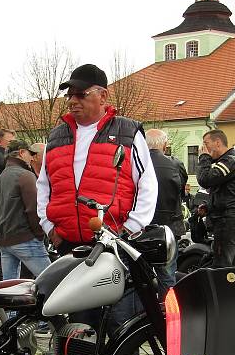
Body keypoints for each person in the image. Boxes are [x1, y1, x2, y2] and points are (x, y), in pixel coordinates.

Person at [37, 63, 157, 254]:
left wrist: (130, 228)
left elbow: (147, 183)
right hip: (66, 244)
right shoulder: (55, 137)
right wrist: (50, 229)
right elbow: (44, 186)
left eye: (81, 94)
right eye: (69, 95)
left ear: (103, 96)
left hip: (113, 243)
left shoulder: (127, 132)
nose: (72, 101)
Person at [0, 140, 51, 279]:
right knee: (51, 281)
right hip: (25, 238)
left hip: (3, 240)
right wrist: (39, 234)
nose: (32, 158)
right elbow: (33, 209)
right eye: (30, 154)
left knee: (10, 288)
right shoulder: (25, 175)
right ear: (22, 152)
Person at [197, 129, 235, 267]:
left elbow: (205, 180)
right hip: (229, 217)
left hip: (228, 220)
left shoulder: (229, 161)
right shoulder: (228, 161)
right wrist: (209, 207)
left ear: (217, 143)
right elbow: (227, 192)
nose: (203, 148)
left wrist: (204, 158)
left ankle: (222, 288)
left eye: (206, 144)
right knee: (228, 265)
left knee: (222, 266)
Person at [146, 128, 187, 293]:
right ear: (164, 145)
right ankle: (168, 312)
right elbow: (181, 192)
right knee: (168, 274)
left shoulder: (135, 163)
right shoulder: (176, 164)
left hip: (144, 227)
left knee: (142, 275)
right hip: (170, 227)